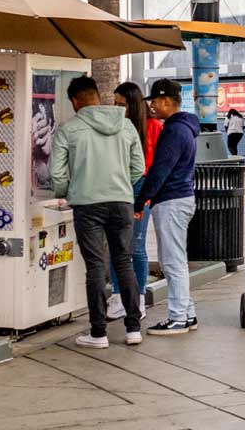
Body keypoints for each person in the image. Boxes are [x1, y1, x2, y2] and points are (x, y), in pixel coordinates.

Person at [49, 76, 144, 348]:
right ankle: (133, 329)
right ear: (97, 97)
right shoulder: (125, 125)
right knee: (123, 262)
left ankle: (98, 333)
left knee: (96, 267)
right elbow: (138, 168)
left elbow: (57, 174)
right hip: (122, 202)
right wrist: (120, 183)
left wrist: (68, 191)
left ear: (75, 101)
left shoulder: (70, 129)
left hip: (87, 205)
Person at [135, 79, 200, 337]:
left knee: (172, 262)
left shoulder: (174, 131)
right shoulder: (184, 128)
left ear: (166, 101)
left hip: (171, 200)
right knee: (174, 260)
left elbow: (160, 170)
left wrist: (141, 201)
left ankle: (178, 318)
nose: (151, 105)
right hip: (179, 199)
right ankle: (187, 313)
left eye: (154, 100)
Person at [107, 81, 161, 324]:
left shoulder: (152, 127)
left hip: (141, 187)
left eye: (122, 104)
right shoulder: (115, 126)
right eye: (114, 104)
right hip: (117, 187)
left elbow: (155, 164)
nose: (117, 108)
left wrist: (147, 196)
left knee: (136, 245)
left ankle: (137, 298)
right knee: (116, 245)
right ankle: (119, 296)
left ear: (133, 105)